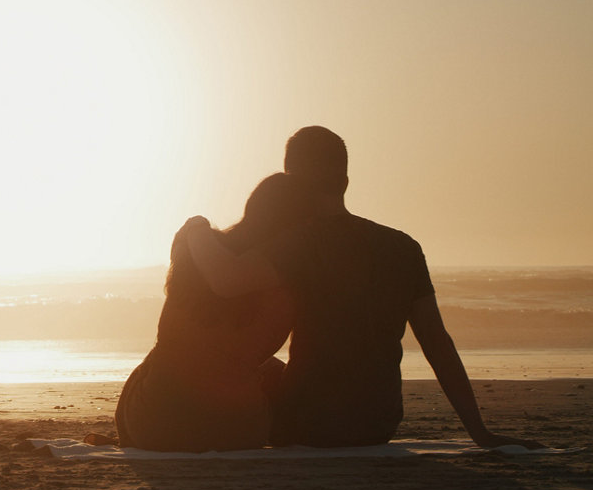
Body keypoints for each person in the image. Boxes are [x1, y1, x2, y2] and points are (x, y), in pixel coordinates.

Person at [182, 126, 542, 449]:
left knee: (246, 369)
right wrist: (479, 432)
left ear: (293, 180)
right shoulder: (403, 246)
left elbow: (225, 280)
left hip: (308, 423)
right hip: (378, 422)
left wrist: (195, 229)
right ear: (346, 179)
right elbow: (438, 343)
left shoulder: (298, 244)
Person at [115, 172, 317, 451]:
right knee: (268, 370)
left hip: (155, 427)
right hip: (240, 432)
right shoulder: (295, 284)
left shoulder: (198, 253)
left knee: (157, 362)